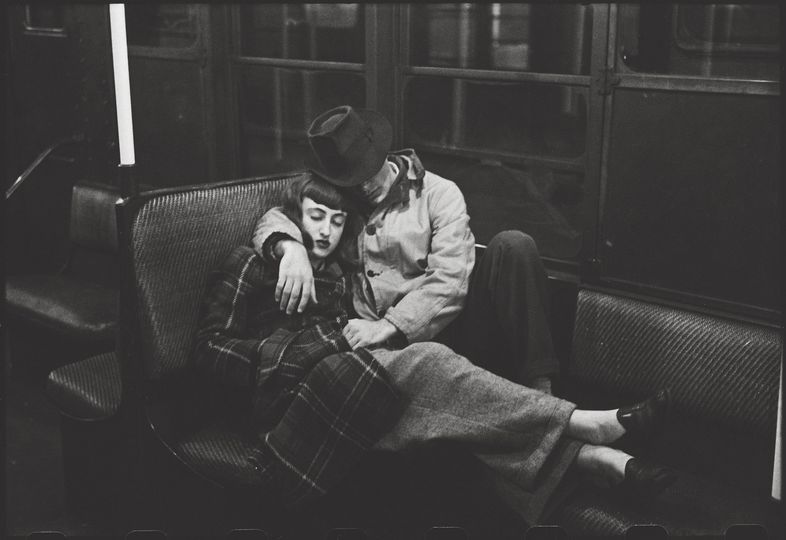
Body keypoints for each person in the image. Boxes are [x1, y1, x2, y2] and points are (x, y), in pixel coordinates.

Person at [196, 173, 676, 524]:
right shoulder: (254, 263)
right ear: (296, 216)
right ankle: (580, 424)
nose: (324, 231)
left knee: (442, 419)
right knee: (428, 365)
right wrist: (290, 255)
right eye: (315, 218)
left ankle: (590, 459)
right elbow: (209, 349)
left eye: (337, 221)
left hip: (348, 377)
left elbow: (442, 283)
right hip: (283, 402)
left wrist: (349, 336)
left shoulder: (342, 274)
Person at [253, 105, 557, 394]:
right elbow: (283, 213)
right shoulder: (342, 193)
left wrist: (389, 325)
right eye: (351, 179)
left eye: (367, 172)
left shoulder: (439, 194)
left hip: (451, 325)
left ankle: (541, 387)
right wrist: (290, 247)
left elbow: (450, 280)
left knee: (514, 245)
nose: (362, 186)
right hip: (384, 346)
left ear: (381, 153)